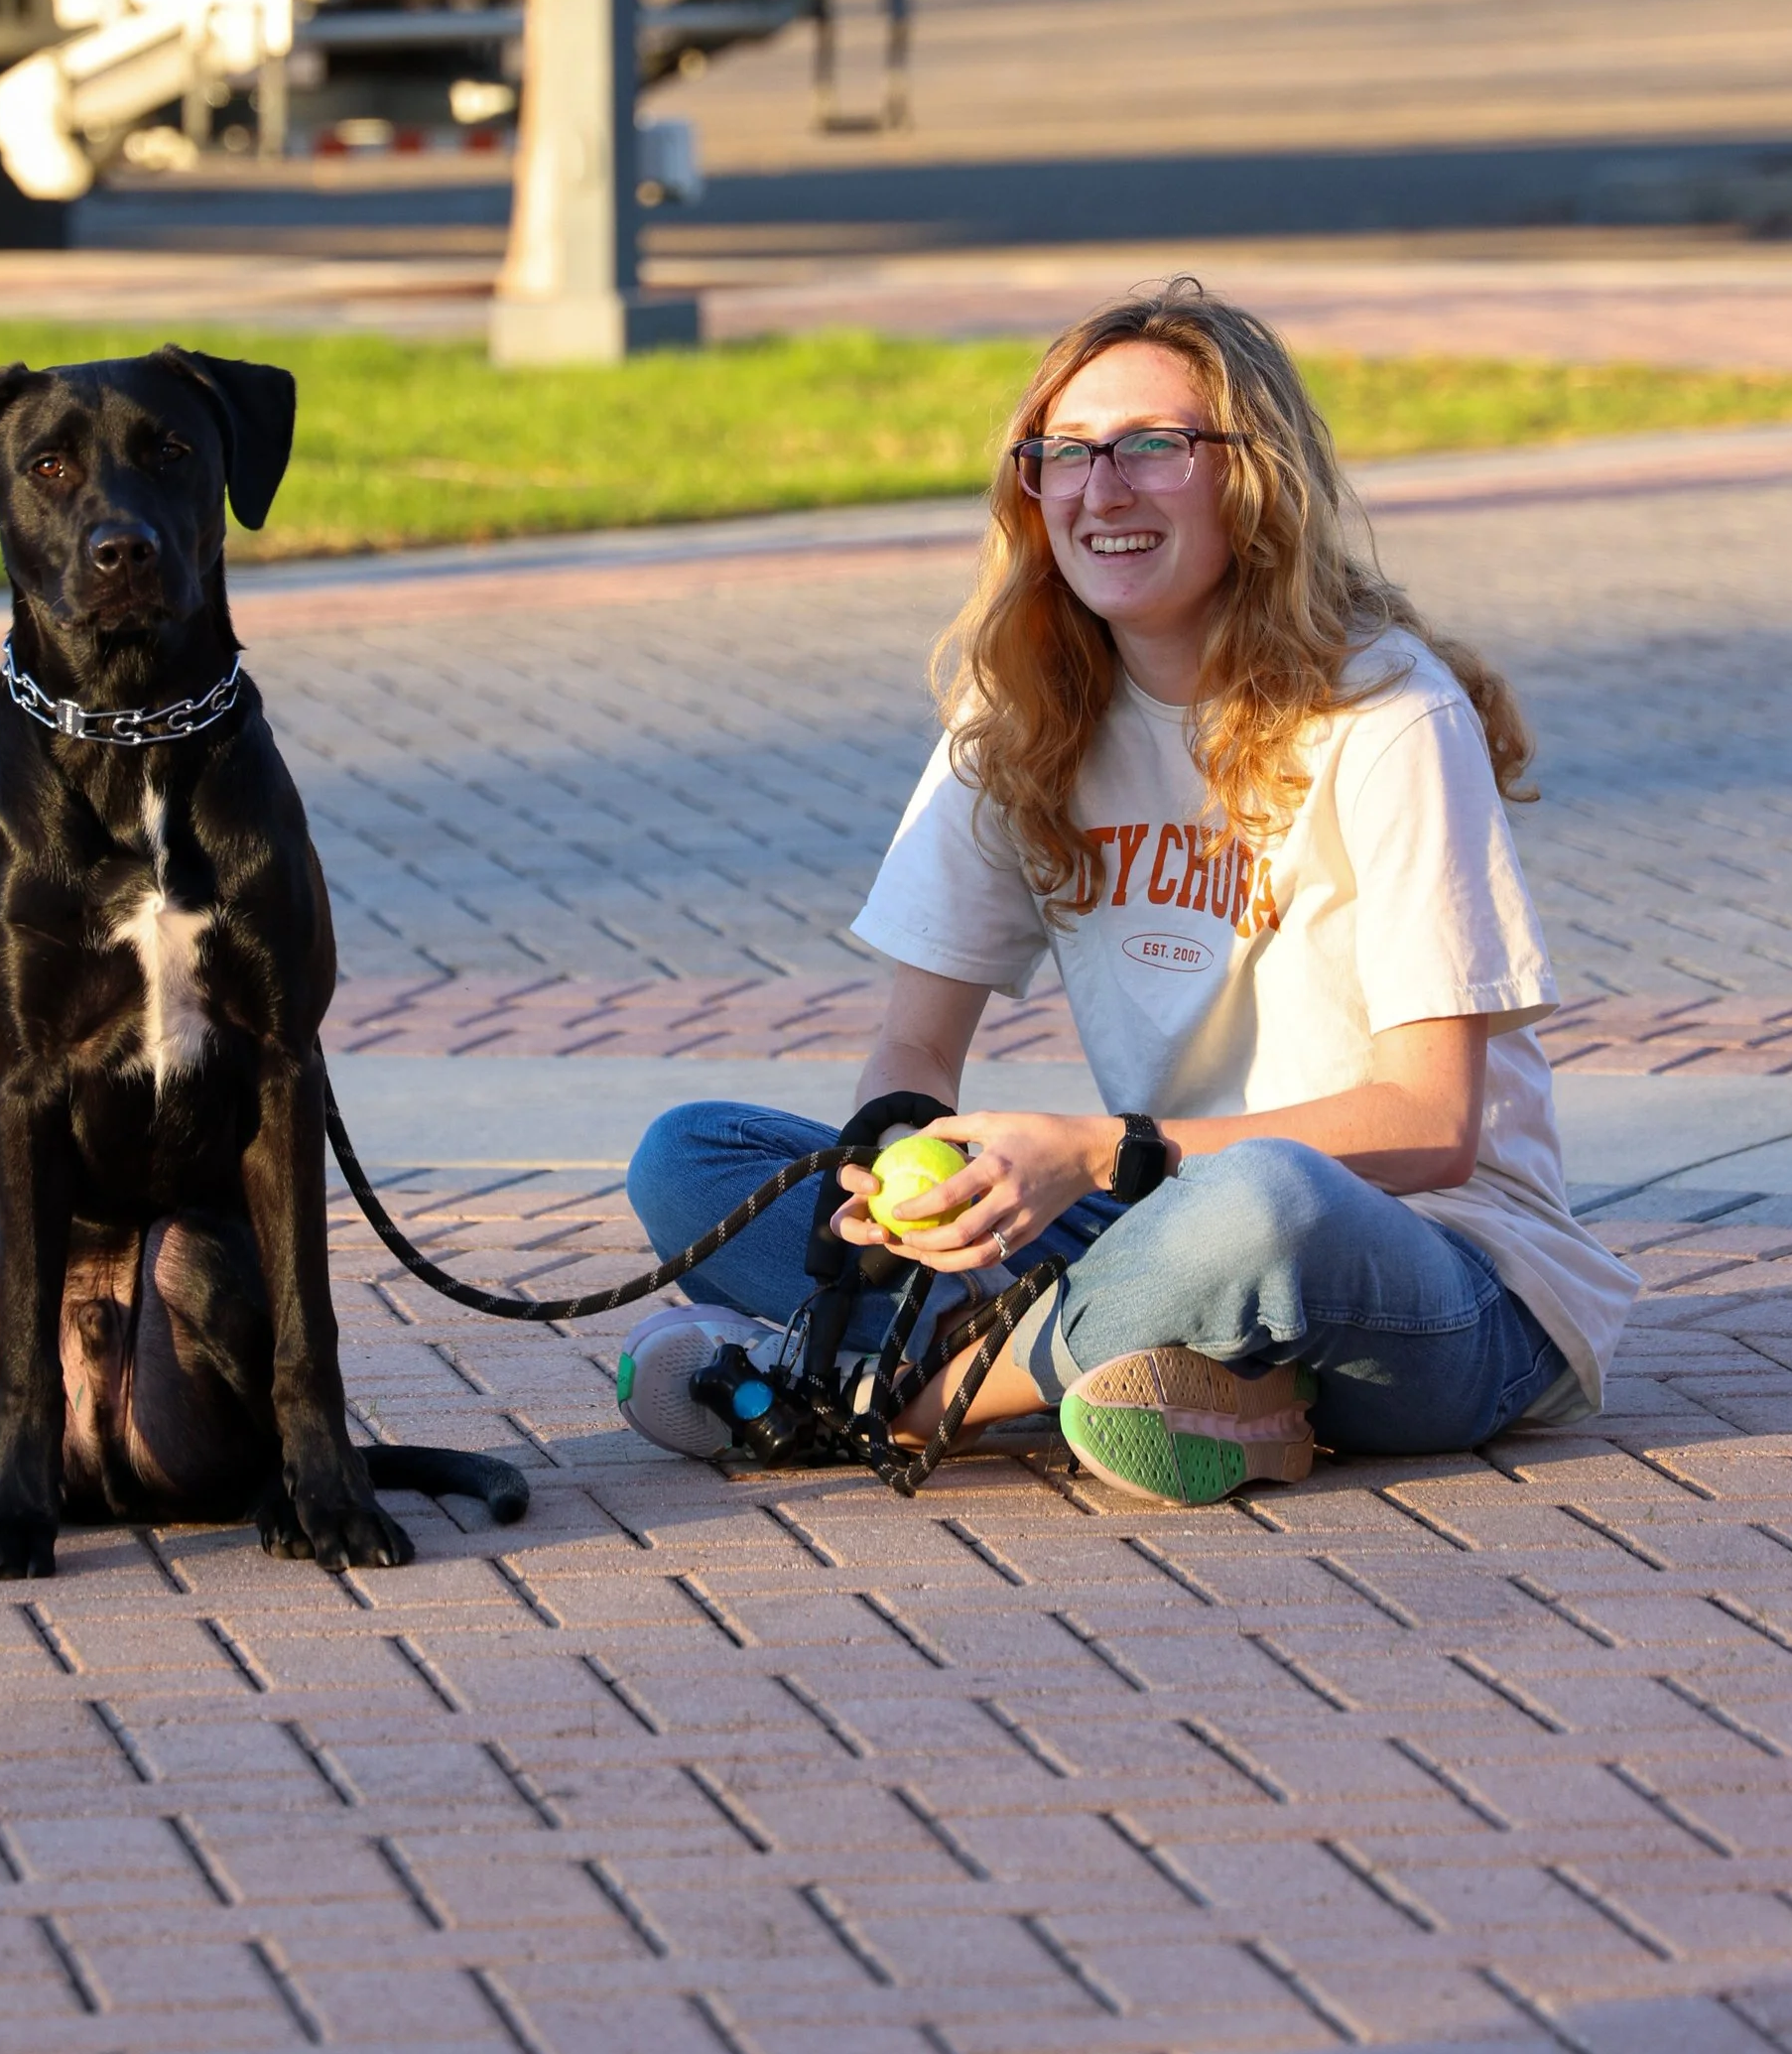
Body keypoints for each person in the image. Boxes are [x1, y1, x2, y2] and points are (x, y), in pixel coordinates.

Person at [619, 282, 1635, 1507]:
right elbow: (912, 1040)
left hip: (1437, 1273)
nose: (1102, 491)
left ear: (1253, 482)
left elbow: (1429, 1125)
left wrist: (1100, 1150)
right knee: (692, 1160)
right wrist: (896, 1172)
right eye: (1065, 453)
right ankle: (1191, 1386)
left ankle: (864, 1394)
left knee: (1263, 1198)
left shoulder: (1387, 715)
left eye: (1155, 447)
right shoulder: (1021, 716)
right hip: (1153, 1224)